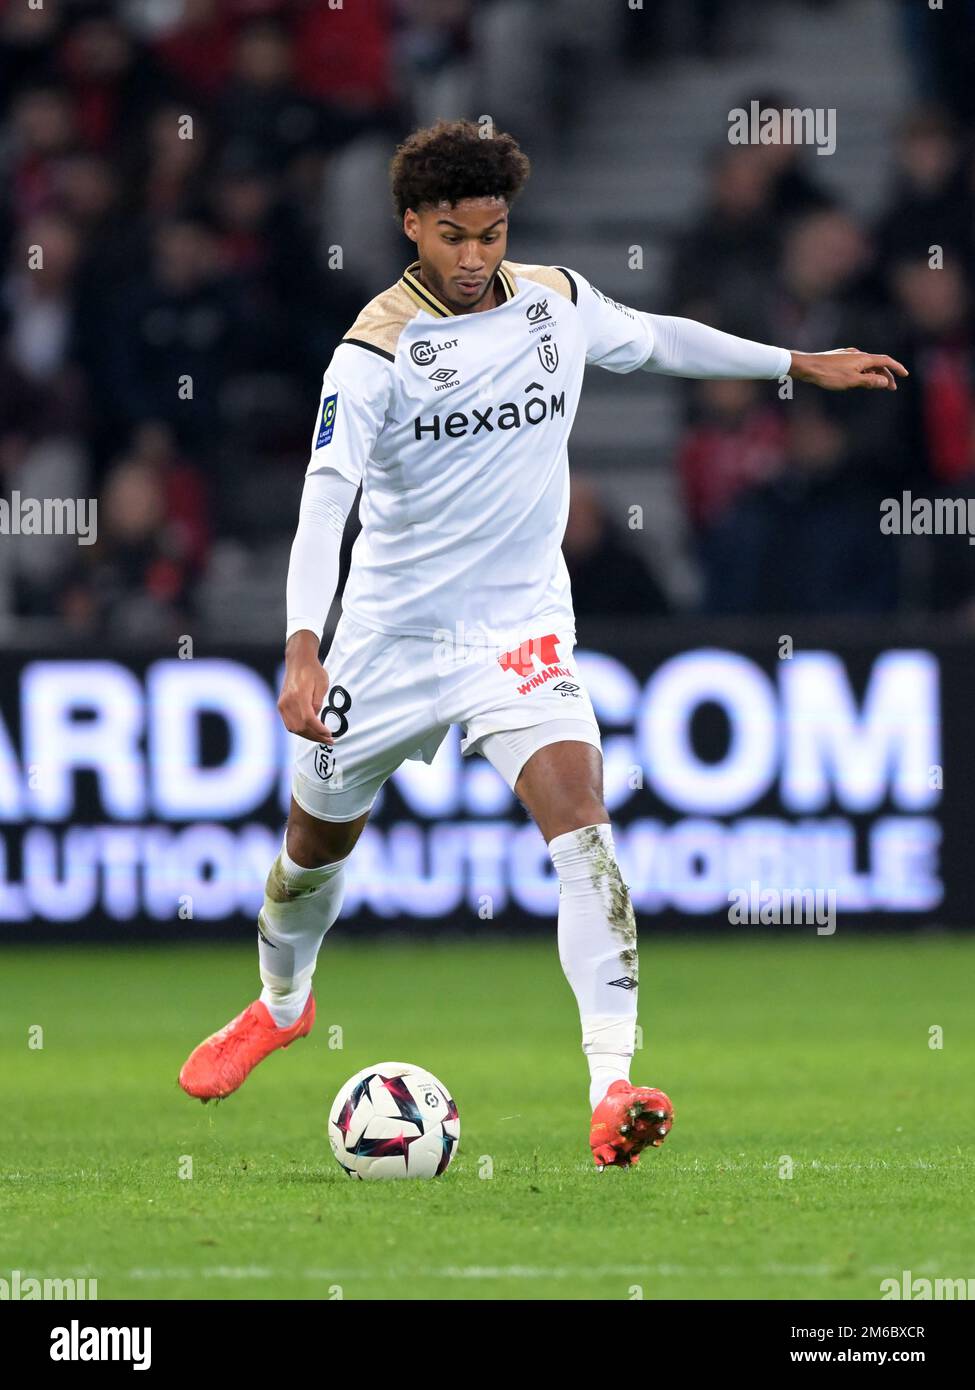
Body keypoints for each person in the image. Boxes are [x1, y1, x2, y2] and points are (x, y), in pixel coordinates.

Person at [178, 119, 907, 1169]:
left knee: (584, 832)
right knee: (309, 852)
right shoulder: (374, 350)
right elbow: (324, 496)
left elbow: (658, 337)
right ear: (411, 228)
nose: (476, 257)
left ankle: (614, 1087)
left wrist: (799, 361)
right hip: (385, 639)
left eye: (492, 232)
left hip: (518, 627)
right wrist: (304, 646)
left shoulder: (554, 302)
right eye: (454, 236)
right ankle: (281, 1002)